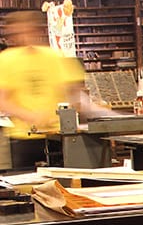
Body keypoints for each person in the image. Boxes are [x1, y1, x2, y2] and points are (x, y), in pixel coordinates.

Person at [0, 10, 106, 170]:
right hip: (24, 139)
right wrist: (29, 116)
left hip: (57, 136)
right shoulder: (6, 59)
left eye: (28, 30)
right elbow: (3, 100)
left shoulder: (54, 57)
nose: (24, 36)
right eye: (20, 31)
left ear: (37, 31)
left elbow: (74, 92)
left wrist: (94, 110)